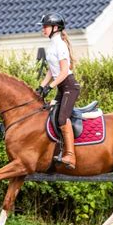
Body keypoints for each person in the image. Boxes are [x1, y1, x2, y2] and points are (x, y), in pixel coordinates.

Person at [36, 12, 80, 169]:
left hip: (69, 87)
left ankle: (70, 156)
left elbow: (63, 72)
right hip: (62, 86)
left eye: (45, 26)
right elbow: (51, 70)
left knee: (62, 118)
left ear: (55, 28)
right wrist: (42, 86)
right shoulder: (52, 45)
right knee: (49, 112)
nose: (43, 29)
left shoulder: (60, 45)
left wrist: (50, 86)